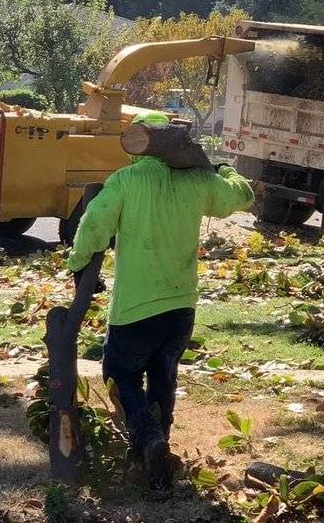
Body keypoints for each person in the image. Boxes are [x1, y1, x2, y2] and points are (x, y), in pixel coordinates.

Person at [67, 110, 254, 488]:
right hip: (181, 307)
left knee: (120, 373)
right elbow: (243, 196)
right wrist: (223, 170)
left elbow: (93, 224)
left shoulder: (126, 179)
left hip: (135, 309)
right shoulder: (199, 181)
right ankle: (160, 453)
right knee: (164, 377)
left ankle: (148, 438)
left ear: (140, 145)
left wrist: (78, 263)